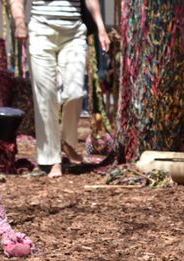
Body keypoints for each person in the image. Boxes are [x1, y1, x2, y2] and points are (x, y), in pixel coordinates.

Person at [11, 0, 111, 178]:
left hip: (73, 35)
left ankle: (68, 141)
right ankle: (52, 159)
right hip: (41, 32)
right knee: (46, 96)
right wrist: (20, 23)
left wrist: (101, 29)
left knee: (75, 92)